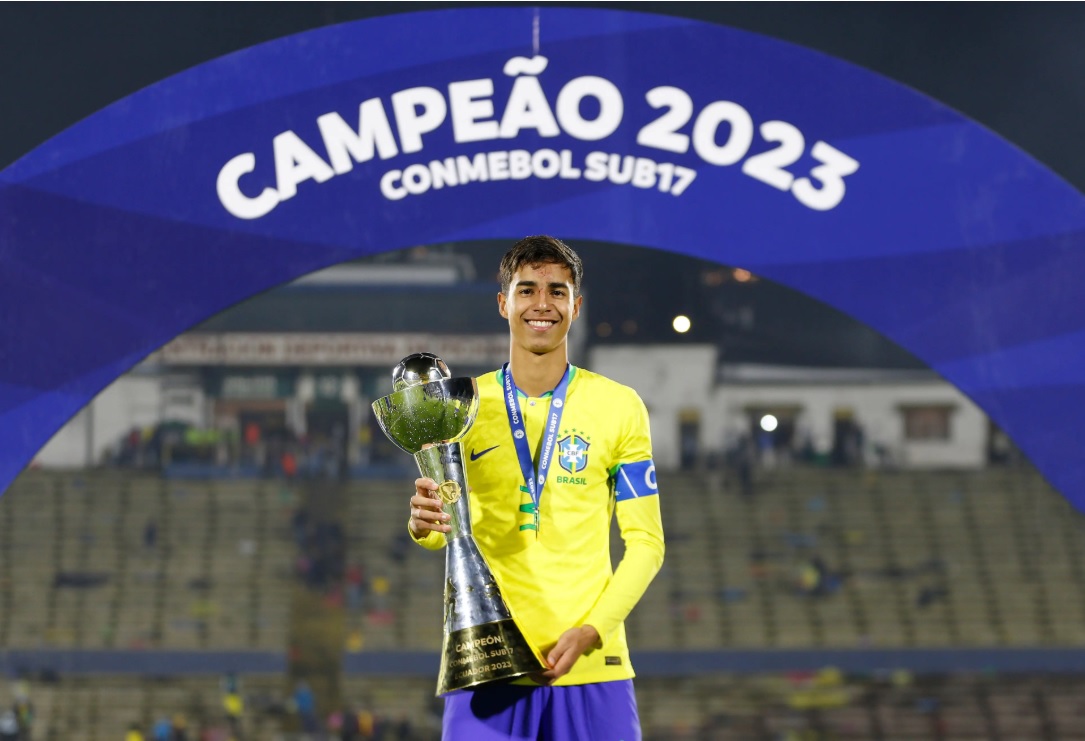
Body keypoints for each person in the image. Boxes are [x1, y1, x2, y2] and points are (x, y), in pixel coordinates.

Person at [408, 235, 665, 739]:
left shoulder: (619, 406)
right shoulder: (461, 406)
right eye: (526, 290)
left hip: (593, 666)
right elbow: (444, 534)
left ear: (576, 306)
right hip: (488, 660)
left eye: (557, 291)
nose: (542, 304)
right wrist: (423, 523)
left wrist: (593, 631)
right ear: (503, 303)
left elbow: (647, 544)